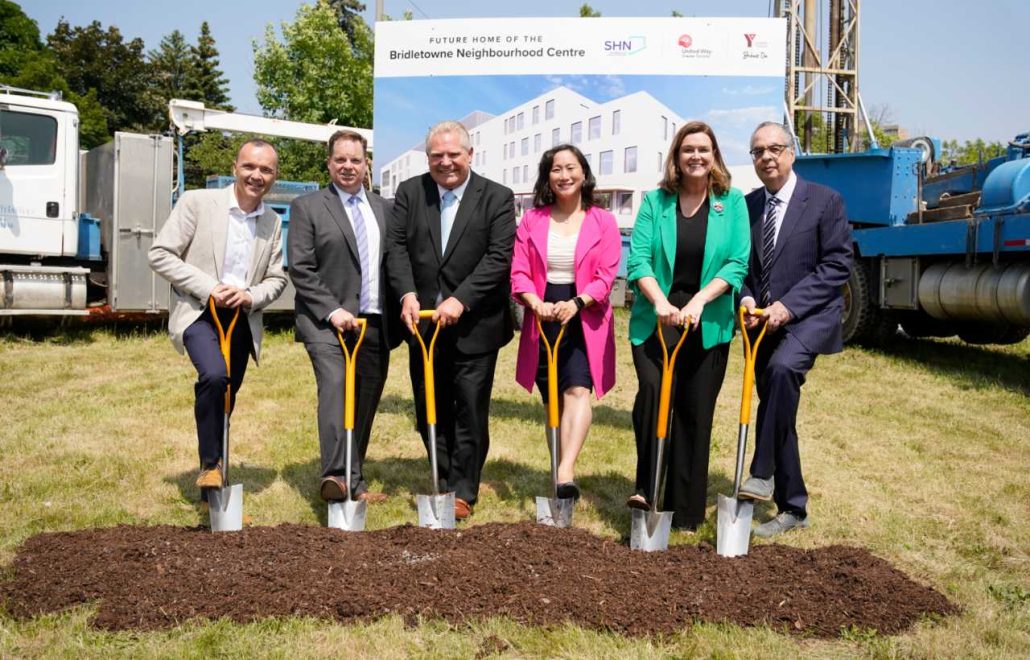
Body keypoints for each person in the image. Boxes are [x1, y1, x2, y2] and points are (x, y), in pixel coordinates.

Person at [386, 120, 516, 521]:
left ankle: (463, 490)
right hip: (422, 324)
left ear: (470, 155)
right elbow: (396, 248)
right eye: (436, 156)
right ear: (427, 158)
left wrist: (461, 300)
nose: (445, 163)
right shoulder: (411, 193)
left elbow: (498, 257)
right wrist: (407, 293)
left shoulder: (496, 197)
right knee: (430, 405)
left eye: (453, 155)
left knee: (469, 409)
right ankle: (441, 478)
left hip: (476, 325)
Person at [625, 121, 751, 531]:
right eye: (687, 149)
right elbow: (638, 260)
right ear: (676, 157)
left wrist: (698, 301)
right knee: (652, 395)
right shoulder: (656, 202)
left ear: (714, 155)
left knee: (695, 412)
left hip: (708, 319)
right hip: (657, 318)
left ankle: (685, 511)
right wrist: (660, 302)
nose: (696, 156)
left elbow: (736, 262)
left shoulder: (730, 202)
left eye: (704, 149)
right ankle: (647, 488)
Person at [149, 139, 288, 494]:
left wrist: (249, 295)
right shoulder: (197, 202)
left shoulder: (271, 222)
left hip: (240, 318)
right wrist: (210, 286)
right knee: (213, 376)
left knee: (227, 393)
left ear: (274, 176)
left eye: (266, 170)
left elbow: (276, 278)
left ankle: (217, 465)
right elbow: (161, 254)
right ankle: (210, 466)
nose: (256, 175)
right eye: (249, 167)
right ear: (235, 167)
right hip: (199, 312)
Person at [737, 121, 852, 537]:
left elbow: (837, 265)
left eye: (774, 148)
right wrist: (748, 299)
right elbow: (739, 266)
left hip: (810, 316)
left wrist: (787, 307)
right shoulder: (746, 207)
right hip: (760, 323)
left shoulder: (824, 201)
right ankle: (793, 508)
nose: (766, 157)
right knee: (777, 407)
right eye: (757, 152)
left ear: (792, 152)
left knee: (783, 372)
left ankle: (761, 470)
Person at [288, 130, 400, 505]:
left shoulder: (384, 208)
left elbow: (394, 263)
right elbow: (301, 267)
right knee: (336, 389)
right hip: (325, 321)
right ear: (329, 163)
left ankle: (355, 478)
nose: (348, 167)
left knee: (365, 401)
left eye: (355, 160)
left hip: (374, 322)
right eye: (340, 160)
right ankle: (335, 477)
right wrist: (333, 310)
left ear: (366, 163)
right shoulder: (309, 206)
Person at [510, 145, 621, 500]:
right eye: (556, 169)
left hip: (584, 313)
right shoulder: (533, 219)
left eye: (571, 168)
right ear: (548, 177)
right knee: (552, 400)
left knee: (577, 389)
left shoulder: (602, 220)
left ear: (584, 173)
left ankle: (565, 471)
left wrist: (577, 302)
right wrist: (535, 303)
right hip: (541, 313)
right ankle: (559, 467)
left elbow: (607, 274)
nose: (564, 175)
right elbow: (519, 272)